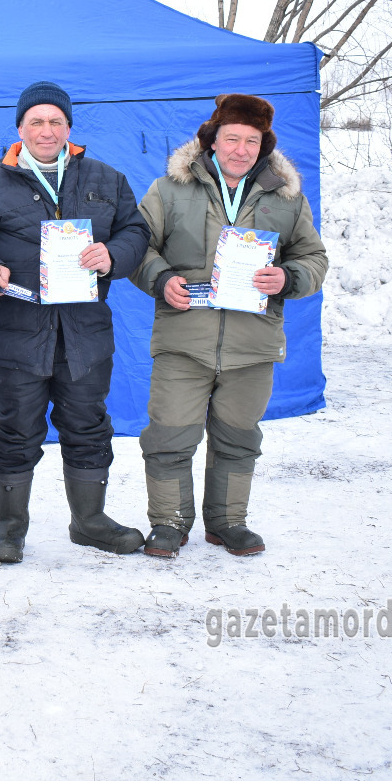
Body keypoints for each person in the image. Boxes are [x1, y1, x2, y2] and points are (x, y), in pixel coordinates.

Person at [0, 81, 151, 565]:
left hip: (85, 336)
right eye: (36, 122)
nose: (47, 130)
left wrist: (113, 254)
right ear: (20, 127)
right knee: (14, 430)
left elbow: (137, 231)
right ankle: (9, 530)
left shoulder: (106, 179)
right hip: (17, 336)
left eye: (56, 121)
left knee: (88, 426)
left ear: (70, 128)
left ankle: (89, 522)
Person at [129, 94, 328, 557]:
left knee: (239, 438)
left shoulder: (287, 198)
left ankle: (228, 522)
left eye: (251, 141)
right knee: (169, 436)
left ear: (264, 146)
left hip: (253, 345)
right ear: (212, 140)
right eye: (231, 138)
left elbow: (313, 258)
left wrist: (288, 277)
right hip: (184, 341)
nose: (240, 149)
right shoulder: (168, 189)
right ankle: (170, 523)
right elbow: (137, 247)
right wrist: (161, 280)